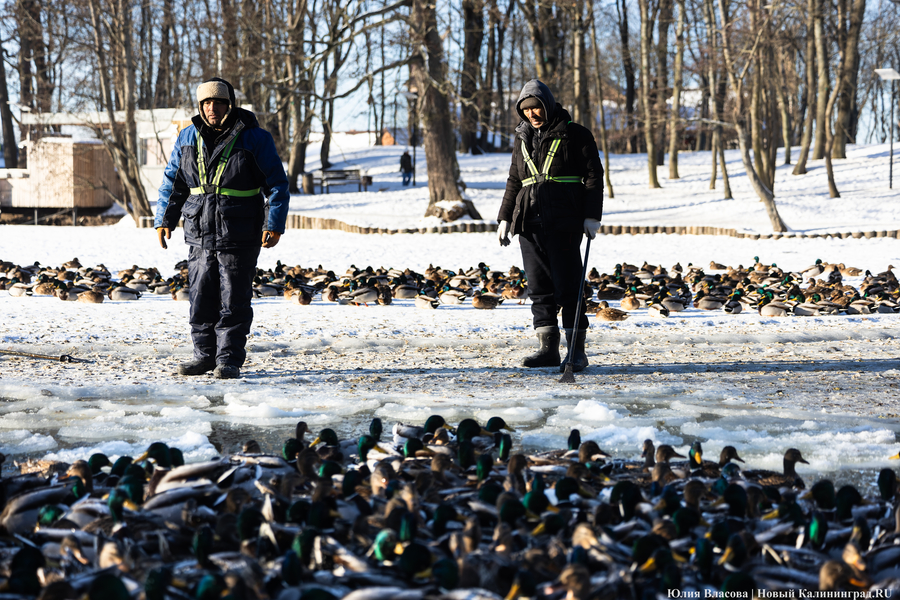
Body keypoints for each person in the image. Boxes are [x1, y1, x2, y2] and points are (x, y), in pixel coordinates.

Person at [155, 77, 289, 379]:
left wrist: (275, 223)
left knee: (234, 299)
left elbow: (278, 185)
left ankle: (228, 360)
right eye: (206, 103)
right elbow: (173, 182)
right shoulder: (187, 137)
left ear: (230, 104)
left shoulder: (255, 138)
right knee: (200, 297)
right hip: (199, 232)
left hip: (240, 231)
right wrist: (164, 219)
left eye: (218, 102)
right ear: (200, 106)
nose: (212, 107)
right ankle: (203, 356)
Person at [497, 79, 603, 372]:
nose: (532, 114)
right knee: (539, 288)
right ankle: (548, 350)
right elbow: (514, 180)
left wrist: (592, 215)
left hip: (565, 222)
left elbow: (594, 176)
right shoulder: (522, 138)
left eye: (537, 107)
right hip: (528, 223)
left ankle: (576, 352)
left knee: (569, 288)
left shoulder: (576, 135)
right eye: (526, 109)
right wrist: (505, 216)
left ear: (549, 105)